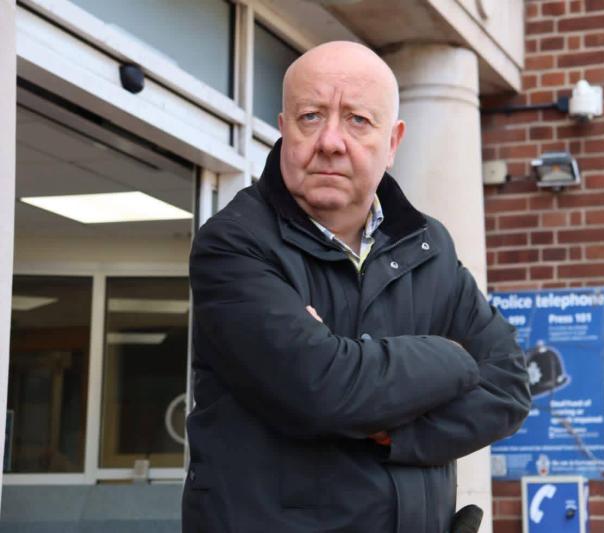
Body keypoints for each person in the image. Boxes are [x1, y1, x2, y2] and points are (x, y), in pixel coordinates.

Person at [182, 41, 531, 533]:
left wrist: (395, 431)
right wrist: (453, 357)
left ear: (393, 142)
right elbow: (323, 388)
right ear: (283, 129)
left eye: (357, 120)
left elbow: (510, 386)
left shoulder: (428, 245)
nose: (330, 140)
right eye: (310, 116)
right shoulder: (235, 244)